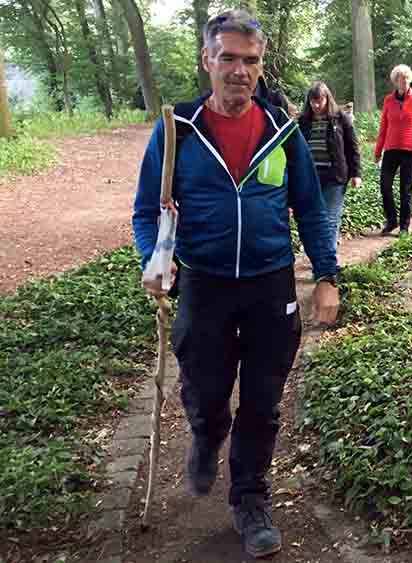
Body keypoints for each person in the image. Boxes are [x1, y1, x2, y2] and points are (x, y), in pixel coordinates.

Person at [132, 10, 340, 559]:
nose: (239, 71)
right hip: (202, 285)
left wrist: (326, 275)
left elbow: (311, 209)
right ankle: (205, 434)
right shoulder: (177, 130)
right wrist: (154, 259)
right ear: (207, 60)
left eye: (250, 60)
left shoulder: (283, 132)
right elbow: (145, 211)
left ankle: (249, 498)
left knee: (264, 402)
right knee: (205, 392)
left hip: (271, 283)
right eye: (228, 58)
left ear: (261, 65)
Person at [298, 81, 362, 252]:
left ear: (327, 99)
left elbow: (352, 147)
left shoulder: (341, 119)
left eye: (320, 101)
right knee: (313, 218)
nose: (316, 105)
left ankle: (328, 260)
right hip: (311, 177)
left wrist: (356, 174)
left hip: (335, 176)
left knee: (330, 219)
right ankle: (319, 254)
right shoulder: (303, 121)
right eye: (313, 101)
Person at [374, 64, 412, 235]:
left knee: (406, 189)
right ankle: (392, 220)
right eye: (400, 79)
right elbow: (383, 127)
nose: (403, 82)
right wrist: (377, 151)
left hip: (409, 151)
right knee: (385, 186)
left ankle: (404, 226)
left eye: (406, 78)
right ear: (395, 81)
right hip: (391, 149)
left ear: (410, 80)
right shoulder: (388, 100)